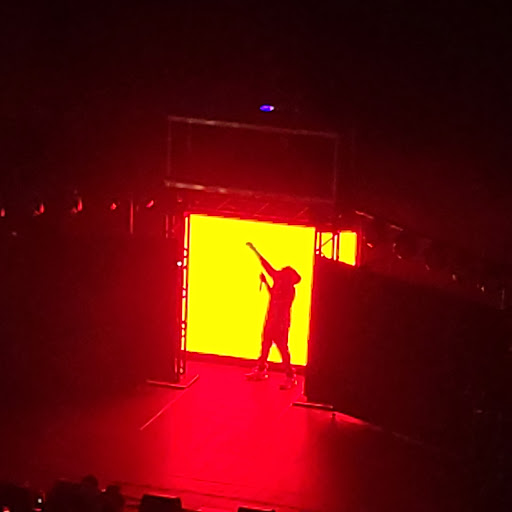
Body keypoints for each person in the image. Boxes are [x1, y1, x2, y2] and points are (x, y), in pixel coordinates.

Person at [245, 242, 301, 389]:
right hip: (272, 318)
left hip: (281, 322)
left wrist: (268, 284)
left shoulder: (289, 290)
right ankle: (261, 369)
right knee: (265, 345)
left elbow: (279, 301)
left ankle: (290, 376)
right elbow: (267, 266)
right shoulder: (279, 280)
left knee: (282, 349)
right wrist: (255, 251)